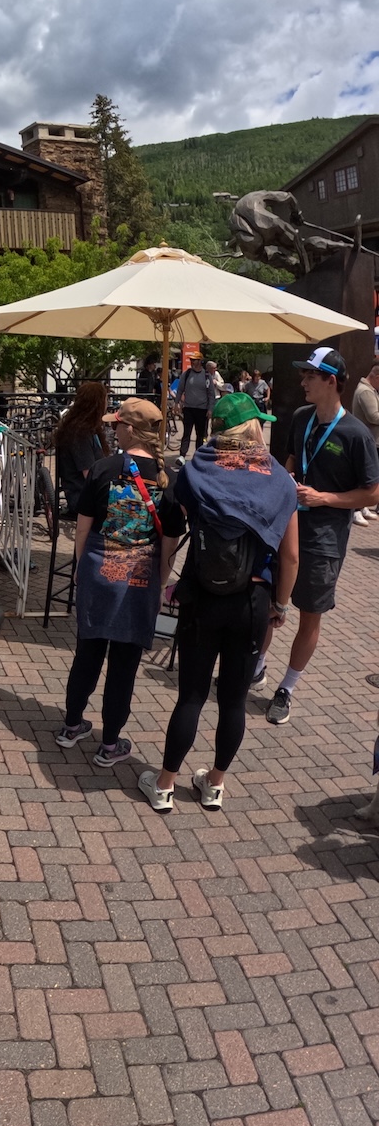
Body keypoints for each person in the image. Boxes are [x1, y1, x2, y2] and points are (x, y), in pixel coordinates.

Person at [138, 393, 298, 812]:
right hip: (253, 600)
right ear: (252, 429)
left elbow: (175, 519)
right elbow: (291, 555)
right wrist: (280, 606)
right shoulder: (279, 480)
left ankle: (165, 784)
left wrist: (163, 580)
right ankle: (214, 783)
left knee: (190, 695)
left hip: (201, 595)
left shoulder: (196, 471)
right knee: (232, 699)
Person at [257, 348, 379, 723]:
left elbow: (373, 493)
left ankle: (287, 688)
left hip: (325, 537)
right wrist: (289, 478)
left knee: (310, 614)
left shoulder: (356, 434)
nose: (302, 381)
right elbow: (293, 458)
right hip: (286, 526)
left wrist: (325, 497)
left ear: (331, 381)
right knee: (266, 604)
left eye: (310, 375)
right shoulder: (300, 417)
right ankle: (256, 665)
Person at [55, 397, 169, 768]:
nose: (111, 429)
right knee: (124, 665)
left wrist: (80, 567)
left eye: (116, 425)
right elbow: (168, 545)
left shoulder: (104, 469)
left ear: (130, 430)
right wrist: (159, 582)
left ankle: (72, 725)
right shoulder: (170, 479)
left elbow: (83, 526)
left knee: (88, 653)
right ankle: (109, 743)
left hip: (99, 570)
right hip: (139, 579)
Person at [52, 382, 107, 516]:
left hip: (89, 493)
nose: (108, 403)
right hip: (83, 499)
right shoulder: (79, 434)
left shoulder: (86, 428)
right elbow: (89, 475)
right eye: (106, 399)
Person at [350, 362, 379, 526]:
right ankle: (356, 509)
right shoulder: (366, 391)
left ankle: (362, 507)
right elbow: (373, 416)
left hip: (371, 439)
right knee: (363, 476)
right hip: (368, 440)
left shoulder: (370, 390)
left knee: (368, 476)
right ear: (376, 377)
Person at [177, 358, 220, 457]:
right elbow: (180, 389)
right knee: (186, 432)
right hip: (188, 408)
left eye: (195, 360)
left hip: (202, 409)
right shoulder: (186, 374)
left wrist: (210, 409)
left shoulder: (206, 376)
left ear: (200, 361)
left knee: (200, 434)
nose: (192, 362)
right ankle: (182, 455)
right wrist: (176, 403)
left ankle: (198, 455)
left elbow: (211, 394)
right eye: (191, 360)